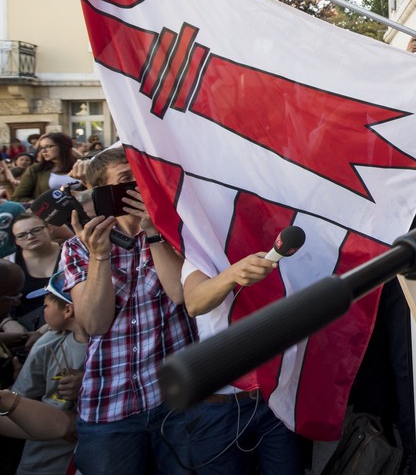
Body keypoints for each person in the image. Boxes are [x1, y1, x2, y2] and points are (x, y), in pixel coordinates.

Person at [61, 147, 197, 475]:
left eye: (141, 176)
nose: (138, 184)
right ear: (105, 192)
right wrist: (100, 256)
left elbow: (180, 296)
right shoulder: (79, 246)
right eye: (126, 179)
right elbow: (94, 322)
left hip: (174, 402)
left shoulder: (175, 232)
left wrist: (152, 232)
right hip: (110, 408)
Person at [180, 256, 305, 474]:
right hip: (218, 406)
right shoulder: (205, 244)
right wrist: (231, 275)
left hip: (274, 397)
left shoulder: (278, 247)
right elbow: (194, 302)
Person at [12, 272, 86, 475]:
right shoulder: (47, 344)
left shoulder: (107, 347)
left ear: (68, 310)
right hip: (43, 457)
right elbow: (21, 399)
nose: (42, 311)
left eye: (45, 306)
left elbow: (16, 399)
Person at [8, 214, 62, 331]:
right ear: (16, 241)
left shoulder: (70, 253)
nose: (30, 237)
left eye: (36, 230)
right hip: (26, 329)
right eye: (22, 235)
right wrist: (7, 323)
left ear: (49, 229)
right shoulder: (9, 265)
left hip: (68, 322)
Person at [11, 134, 79, 203]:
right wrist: (37, 204)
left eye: (48, 146)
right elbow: (17, 197)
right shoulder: (36, 169)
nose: (43, 151)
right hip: (50, 212)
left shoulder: (80, 166)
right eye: (41, 148)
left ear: (63, 146)